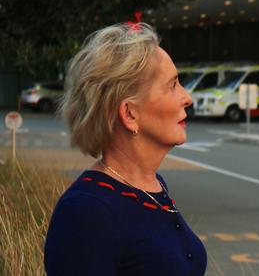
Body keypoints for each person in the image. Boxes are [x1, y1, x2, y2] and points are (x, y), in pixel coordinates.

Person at [44, 23, 206, 275]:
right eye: (172, 85)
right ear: (129, 113)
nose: (187, 97)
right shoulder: (86, 212)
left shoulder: (153, 186)